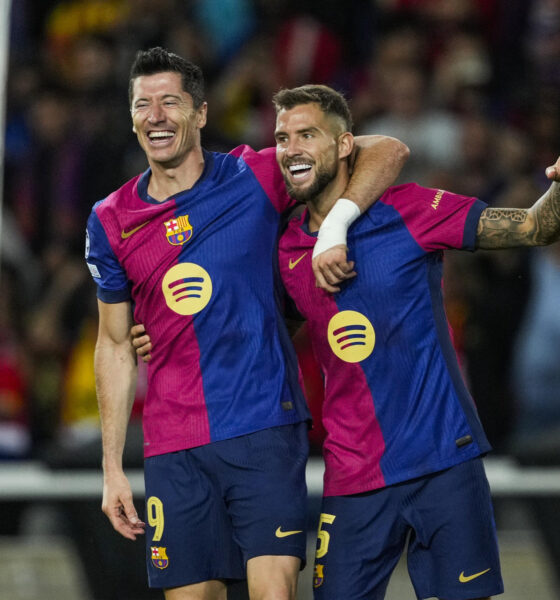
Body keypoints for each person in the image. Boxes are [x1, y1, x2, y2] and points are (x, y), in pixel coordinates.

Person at [136, 84, 560, 599]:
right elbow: (255, 328)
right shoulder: (286, 247)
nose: (290, 148)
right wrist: (161, 336)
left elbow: (535, 226)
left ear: (343, 146)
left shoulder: (412, 209)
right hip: (351, 476)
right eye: (282, 137)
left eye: (307, 134)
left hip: (443, 459)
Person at [85, 47, 409, 600]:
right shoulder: (110, 219)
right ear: (131, 116)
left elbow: (384, 148)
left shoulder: (253, 175)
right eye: (144, 105)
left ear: (202, 113)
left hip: (262, 426)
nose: (156, 116)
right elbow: (115, 343)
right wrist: (112, 467)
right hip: (172, 444)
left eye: (170, 102)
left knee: (274, 592)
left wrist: (338, 226)